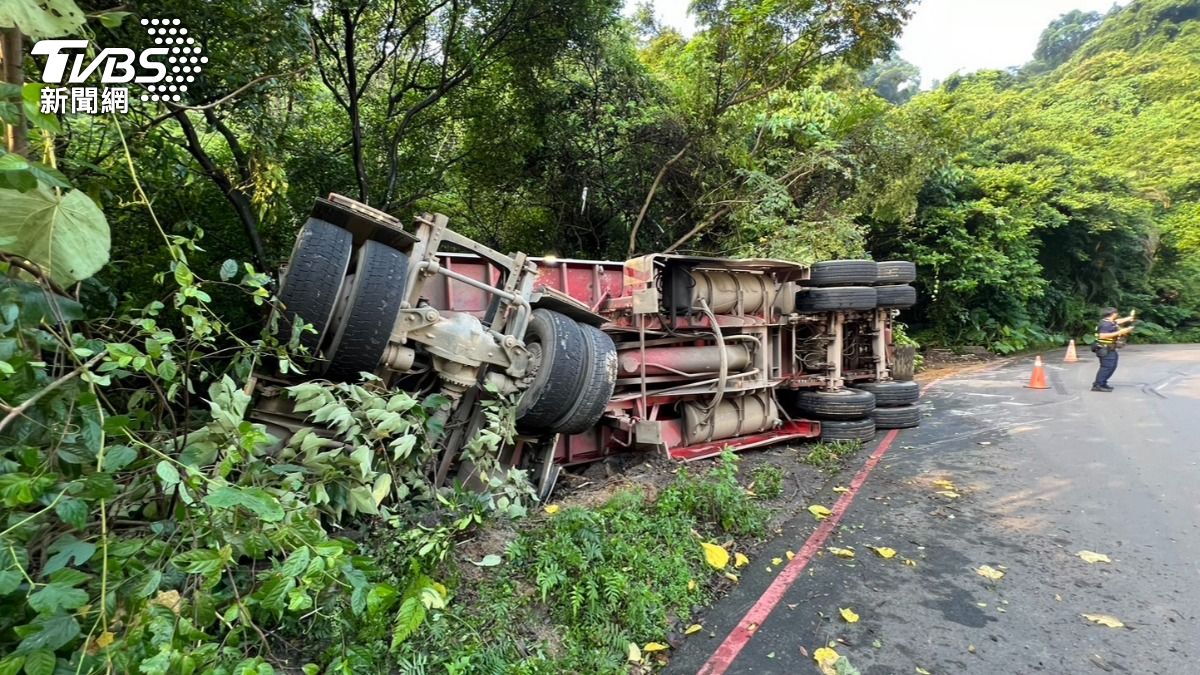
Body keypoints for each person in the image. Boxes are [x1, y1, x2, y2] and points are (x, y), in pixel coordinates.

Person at [1091, 307, 1135, 392]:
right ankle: (1098, 385)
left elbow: (1118, 321)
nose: (1117, 315)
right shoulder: (1105, 324)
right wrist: (1121, 332)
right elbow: (1102, 336)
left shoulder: (1109, 322)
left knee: (1111, 366)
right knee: (1107, 367)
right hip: (1104, 348)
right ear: (1113, 314)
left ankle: (1102, 383)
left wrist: (1129, 318)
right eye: (1116, 313)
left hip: (1109, 348)